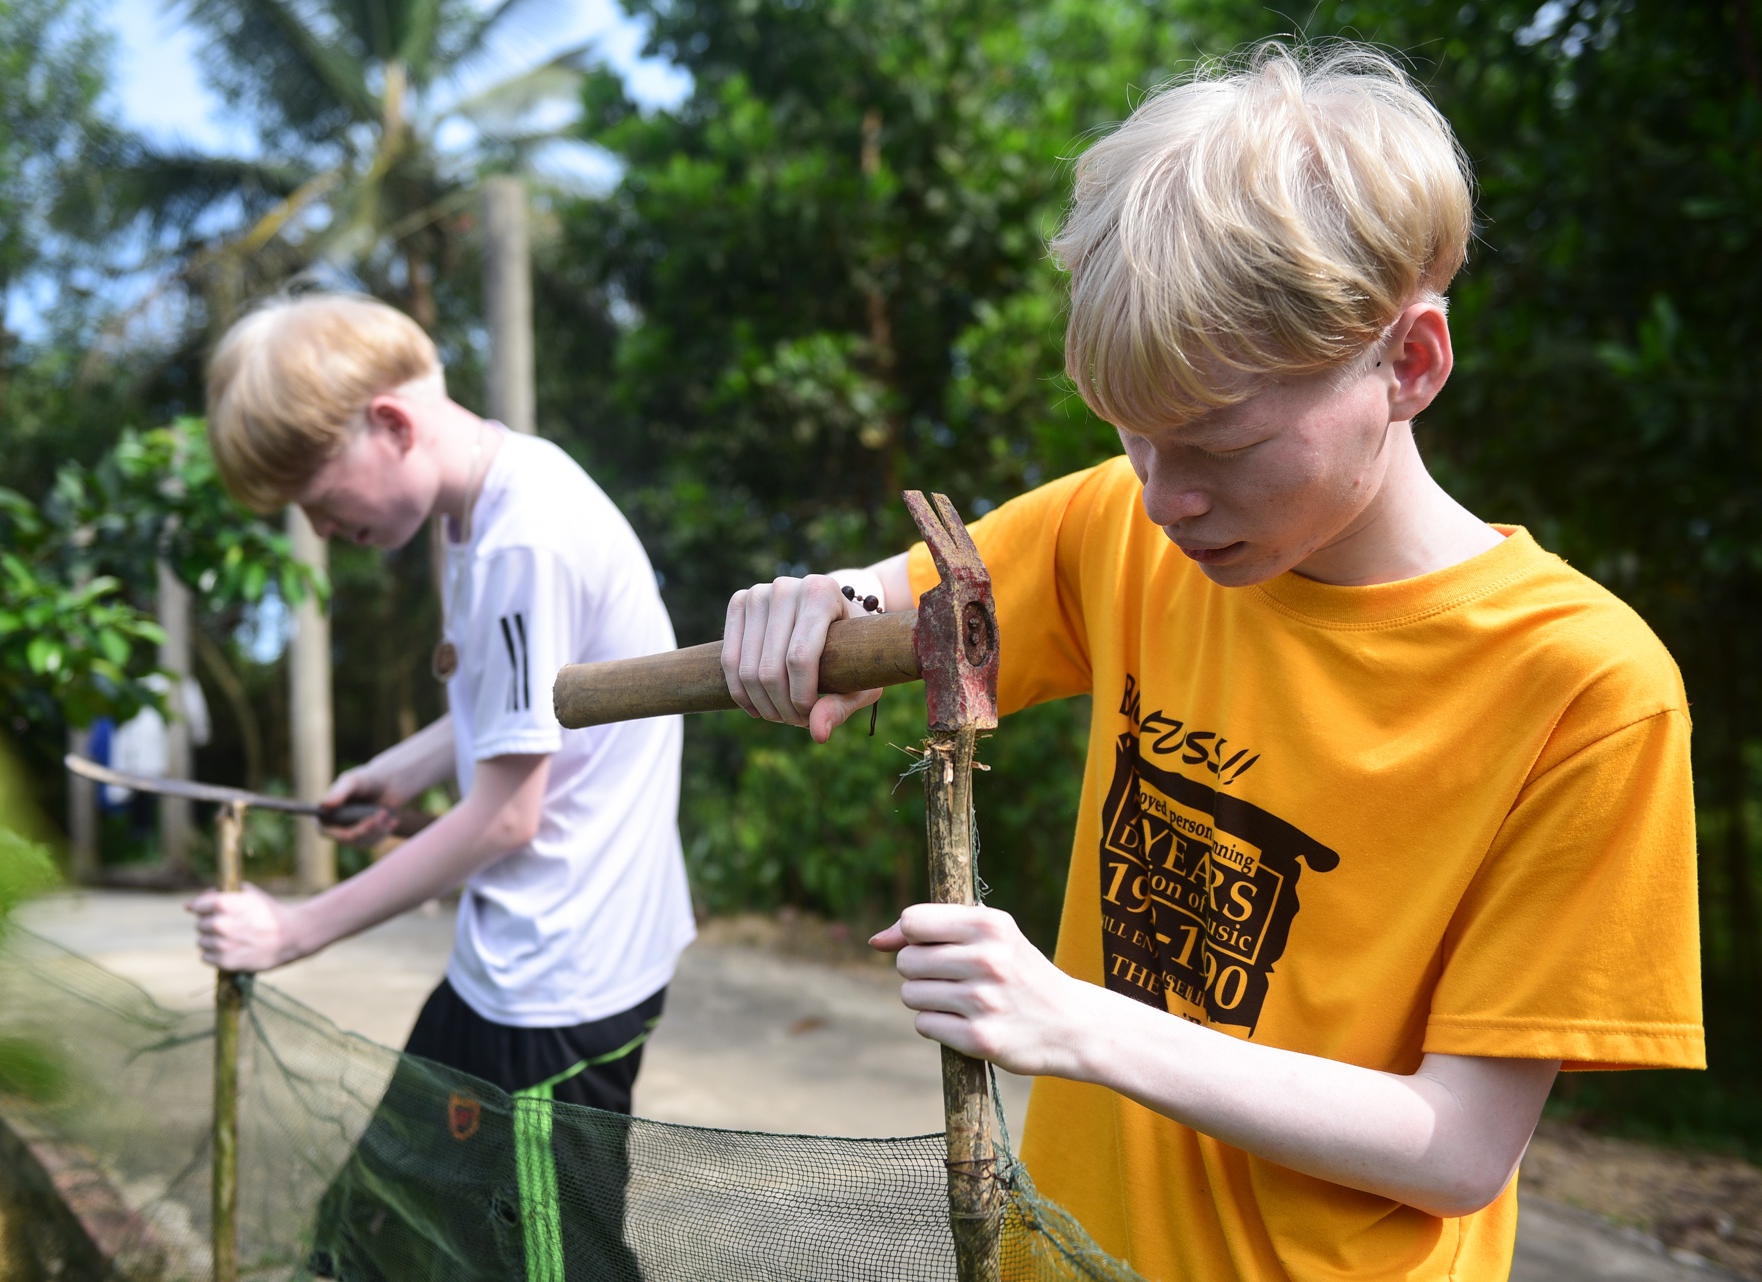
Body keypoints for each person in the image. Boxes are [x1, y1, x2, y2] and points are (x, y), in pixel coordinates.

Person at [720, 42, 1702, 1282]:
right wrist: (821, 607)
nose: (1170, 496)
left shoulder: (1585, 687)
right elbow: (895, 609)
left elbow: (1458, 1146)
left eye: (1221, 441)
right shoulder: (1124, 527)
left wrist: (1073, 1019)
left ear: (1408, 363)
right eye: (1130, 435)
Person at [190, 292, 693, 1278]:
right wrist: (404, 768)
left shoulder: (520, 536)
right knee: (381, 1219)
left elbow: (507, 813)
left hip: (561, 984)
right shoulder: (486, 508)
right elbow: (530, 702)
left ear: (389, 423)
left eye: (313, 492)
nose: (319, 526)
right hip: (508, 961)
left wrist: (291, 929)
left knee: (555, 1261)